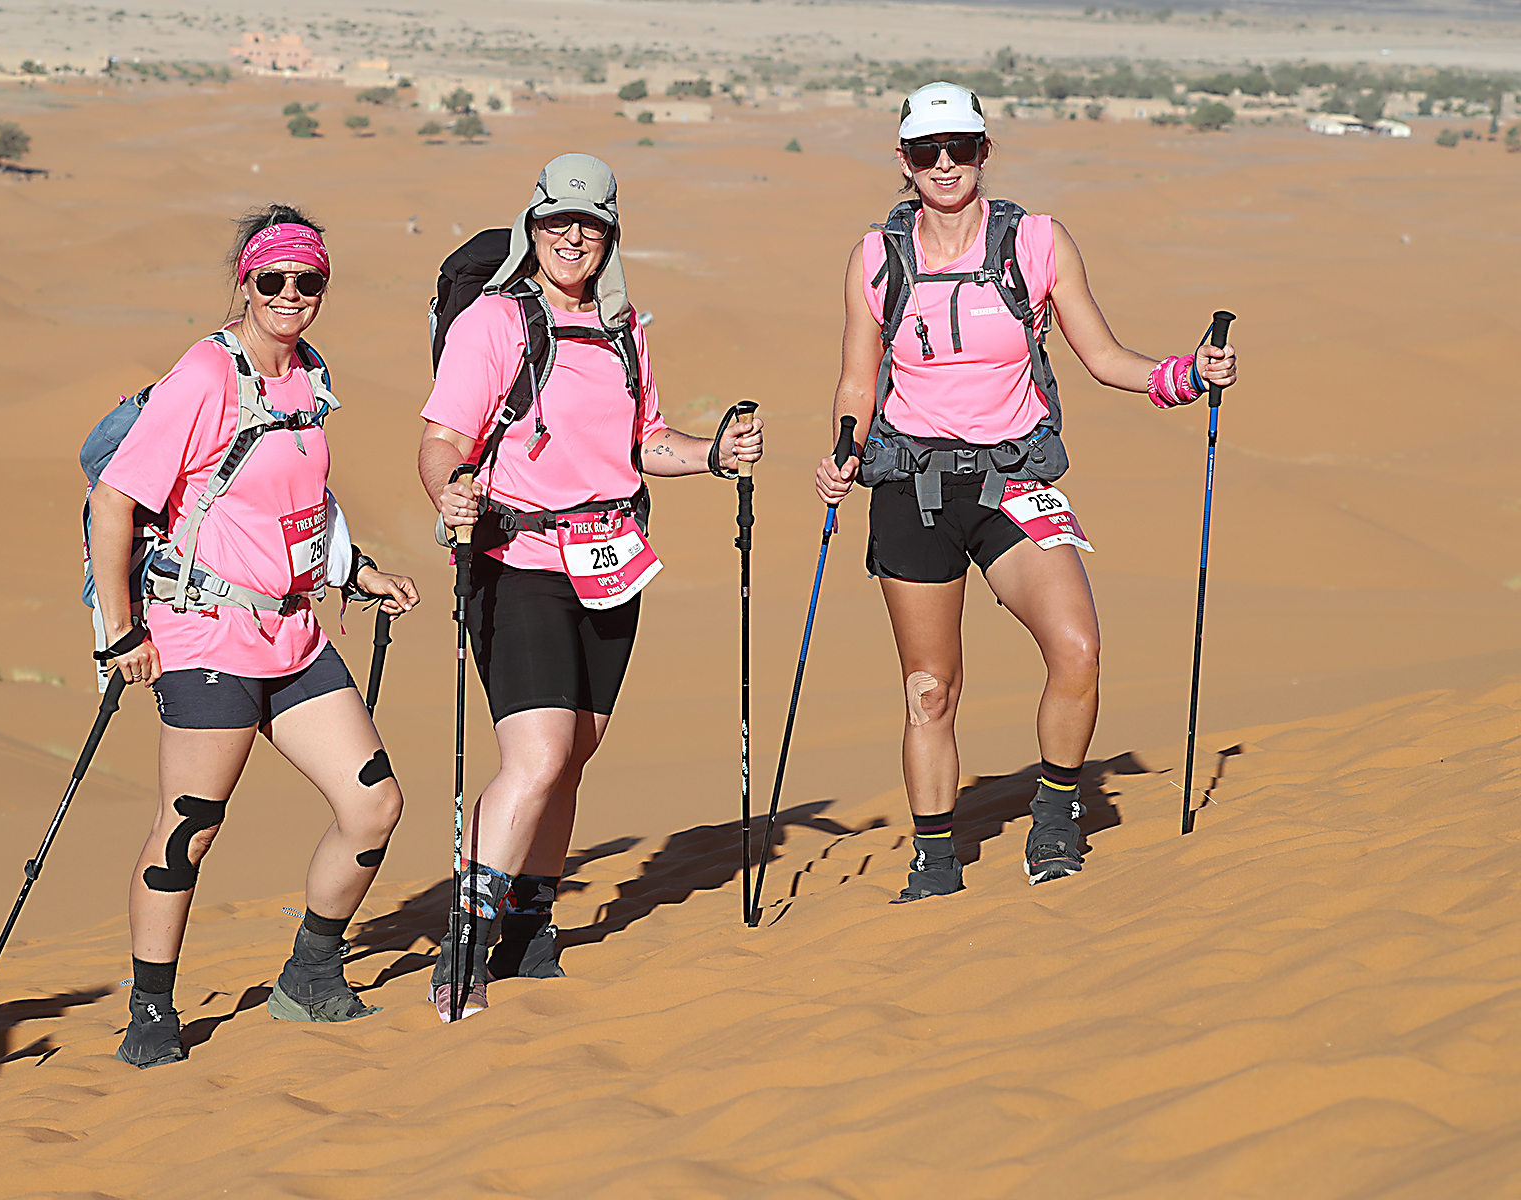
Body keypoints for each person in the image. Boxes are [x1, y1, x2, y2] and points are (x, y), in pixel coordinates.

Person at [815, 83, 1236, 899]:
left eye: (961, 147)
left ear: (985, 150)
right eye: (927, 151)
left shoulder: (1037, 242)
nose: (945, 165)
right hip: (912, 489)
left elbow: (1104, 356)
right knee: (929, 688)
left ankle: (1054, 811)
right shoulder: (876, 258)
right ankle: (935, 857)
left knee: (1078, 648)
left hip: (1014, 482)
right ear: (903, 161)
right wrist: (842, 450)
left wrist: (1184, 377)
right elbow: (855, 382)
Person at [418, 153, 763, 1021]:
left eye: (591, 225)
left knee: (573, 753)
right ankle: (467, 936)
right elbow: (441, 440)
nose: (572, 238)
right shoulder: (495, 324)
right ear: (531, 226)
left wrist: (712, 456)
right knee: (533, 757)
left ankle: (532, 928)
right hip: (516, 560)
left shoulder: (623, 330)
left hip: (609, 563)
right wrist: (447, 488)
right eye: (556, 222)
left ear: (611, 235)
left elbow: (642, 442)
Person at [89, 204, 420, 1067]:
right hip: (204, 635)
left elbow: (294, 501)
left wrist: (357, 570)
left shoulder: (310, 376)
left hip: (295, 633)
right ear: (246, 281)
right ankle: (152, 1012)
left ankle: (310, 974)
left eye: (308, 280)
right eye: (272, 278)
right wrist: (121, 634)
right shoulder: (204, 374)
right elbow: (115, 499)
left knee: (373, 804)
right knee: (190, 826)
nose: (290, 295)